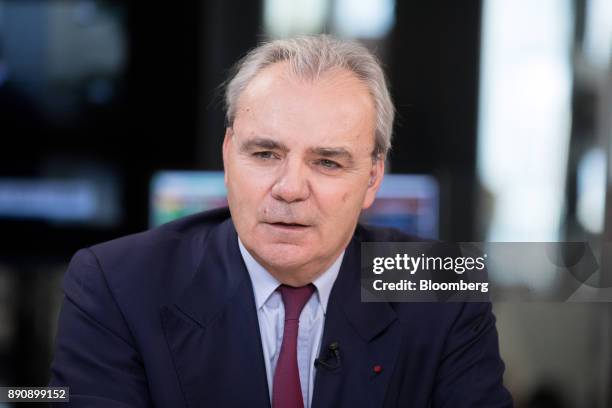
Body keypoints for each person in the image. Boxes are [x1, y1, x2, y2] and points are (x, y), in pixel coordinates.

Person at [50, 35, 513, 407]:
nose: (290, 188)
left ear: (373, 179)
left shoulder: (441, 284)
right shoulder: (116, 283)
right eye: (266, 154)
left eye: (328, 162)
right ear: (228, 156)